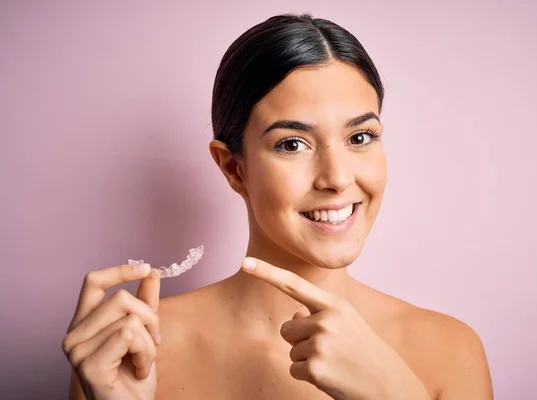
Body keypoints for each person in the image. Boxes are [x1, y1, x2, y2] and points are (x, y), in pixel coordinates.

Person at [62, 13, 494, 400]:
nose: (338, 178)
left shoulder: (451, 351)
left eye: (360, 137)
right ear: (234, 169)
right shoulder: (133, 351)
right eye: (292, 144)